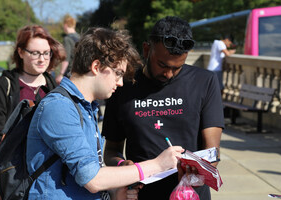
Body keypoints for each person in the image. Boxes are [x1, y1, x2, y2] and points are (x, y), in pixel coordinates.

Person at [26, 27, 184, 200]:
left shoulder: (85, 107)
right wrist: (157, 164)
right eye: (118, 73)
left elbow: (91, 173)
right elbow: (92, 179)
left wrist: (114, 192)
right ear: (96, 66)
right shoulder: (59, 107)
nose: (121, 82)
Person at [102, 16, 224, 200]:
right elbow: (111, 150)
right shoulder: (121, 86)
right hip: (139, 194)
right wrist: (121, 165)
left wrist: (196, 172)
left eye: (177, 68)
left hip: (188, 195)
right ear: (146, 49)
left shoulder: (204, 81)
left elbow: (212, 153)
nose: (168, 74)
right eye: (162, 65)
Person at [0, 25, 65, 200]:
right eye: (35, 53)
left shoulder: (54, 87)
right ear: (21, 52)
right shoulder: (2, 86)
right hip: (12, 177)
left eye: (46, 53)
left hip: (47, 178)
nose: (42, 59)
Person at [56, 14, 80, 84]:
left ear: (65, 25)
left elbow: (66, 58)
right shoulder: (80, 37)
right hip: (80, 71)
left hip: (70, 73)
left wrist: (61, 74)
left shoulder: (67, 39)